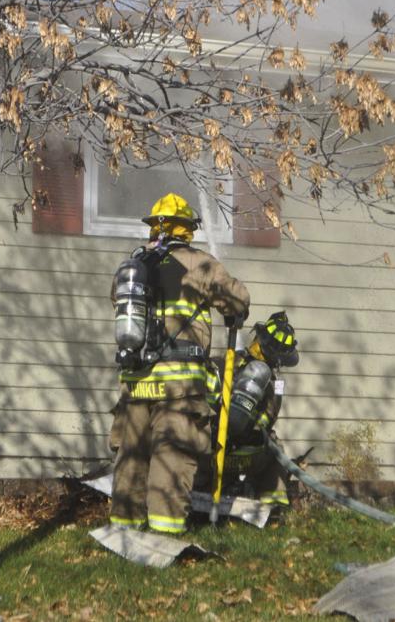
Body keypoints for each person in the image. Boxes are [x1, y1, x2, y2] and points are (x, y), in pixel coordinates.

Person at [108, 193, 250, 534]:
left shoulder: (134, 268)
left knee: (132, 454)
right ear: (187, 229)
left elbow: (116, 299)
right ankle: (165, 532)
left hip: (136, 380)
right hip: (179, 383)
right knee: (172, 452)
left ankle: (123, 529)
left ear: (153, 228)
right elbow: (238, 299)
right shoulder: (199, 263)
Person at [214, 311, 300, 507]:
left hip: (213, 450)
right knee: (275, 447)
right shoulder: (270, 382)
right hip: (243, 456)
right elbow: (269, 417)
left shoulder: (227, 362)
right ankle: (274, 505)